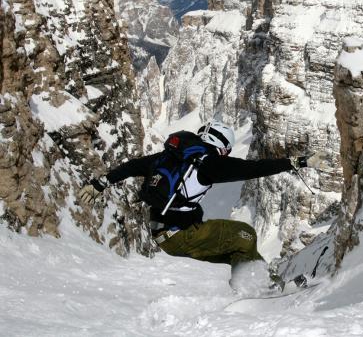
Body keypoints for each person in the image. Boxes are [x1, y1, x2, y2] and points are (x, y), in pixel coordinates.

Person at [79, 120, 322, 294]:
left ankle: (270, 284)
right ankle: (248, 290)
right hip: (181, 235)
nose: (225, 155)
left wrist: (100, 184)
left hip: (163, 234)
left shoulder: (168, 158)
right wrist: (297, 162)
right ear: (220, 144)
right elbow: (254, 169)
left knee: (238, 250)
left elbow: (131, 166)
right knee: (244, 234)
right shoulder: (209, 163)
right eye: (226, 150)